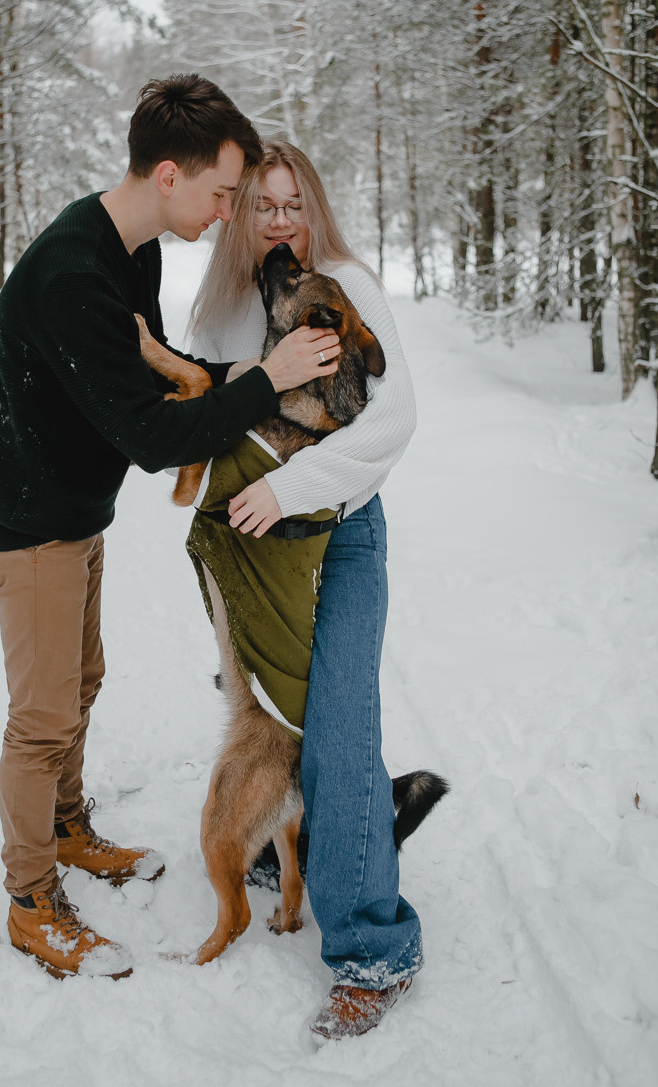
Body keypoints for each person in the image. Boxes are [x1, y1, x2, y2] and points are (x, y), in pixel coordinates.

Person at [0, 78, 341, 980]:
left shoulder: (126, 248)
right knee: (43, 713)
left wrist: (246, 369)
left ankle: (65, 831)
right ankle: (30, 899)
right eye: (220, 193)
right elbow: (149, 435)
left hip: (71, 507)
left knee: (82, 680)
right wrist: (272, 375)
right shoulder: (72, 273)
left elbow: (150, 380)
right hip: (29, 520)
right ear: (168, 175)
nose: (225, 213)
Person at [187, 139, 420, 1039]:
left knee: (338, 726)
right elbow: (212, 413)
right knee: (265, 713)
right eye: (261, 204)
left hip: (341, 531)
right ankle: (283, 850)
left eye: (292, 202)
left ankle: (372, 949)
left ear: (310, 205)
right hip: (250, 542)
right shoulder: (222, 308)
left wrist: (289, 486)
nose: (279, 218)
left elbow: (393, 417)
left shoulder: (343, 284)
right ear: (238, 211)